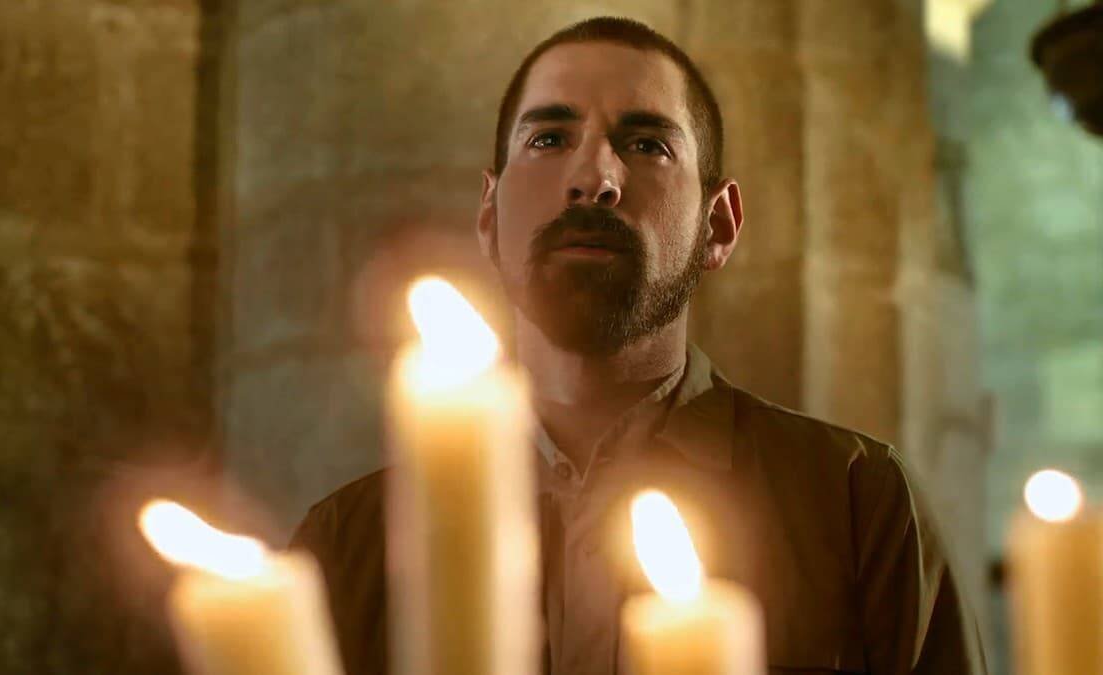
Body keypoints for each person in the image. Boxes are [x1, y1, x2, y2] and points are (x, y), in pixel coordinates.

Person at [290, 16, 987, 675]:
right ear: (489, 215)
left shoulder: (858, 505)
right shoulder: (348, 543)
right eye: (549, 139)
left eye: (648, 144)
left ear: (718, 225)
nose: (593, 178)